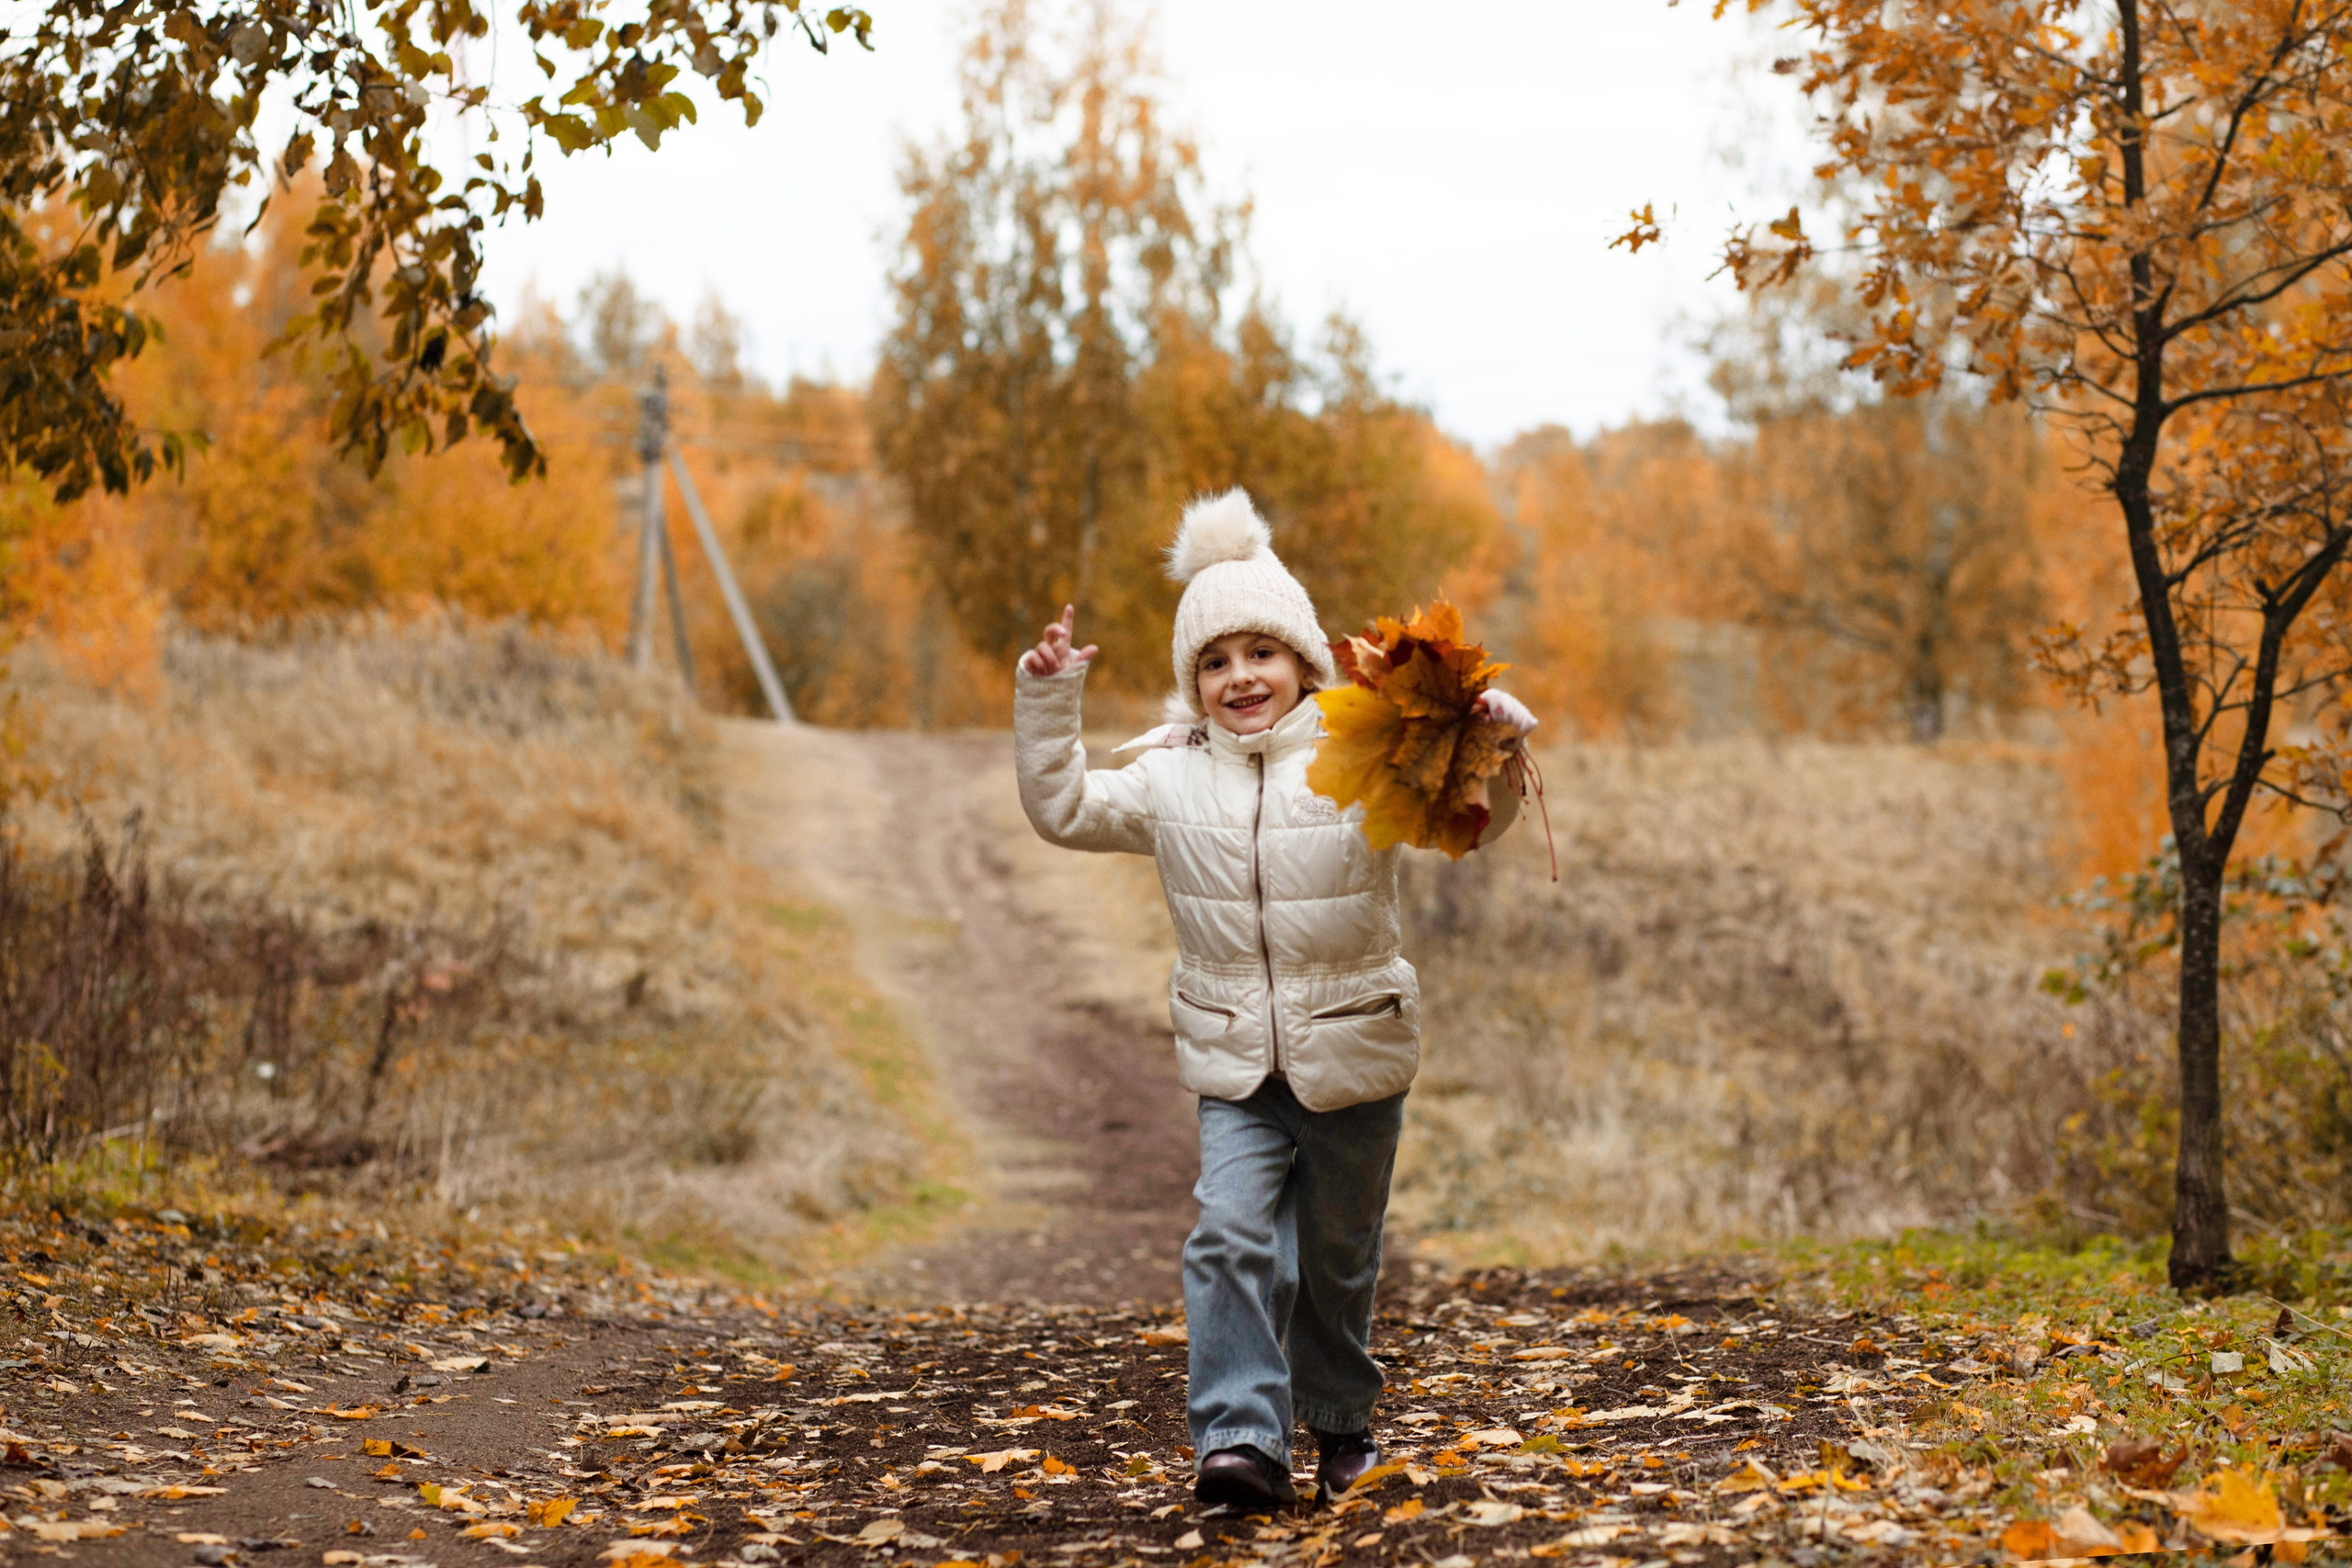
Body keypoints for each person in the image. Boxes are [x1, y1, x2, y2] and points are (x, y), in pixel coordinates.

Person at [1012, 489, 1538, 1510]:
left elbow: (1467, 817)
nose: (1238, 676)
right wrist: (1047, 702)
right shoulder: (1170, 779)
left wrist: (1499, 752)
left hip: (1353, 1049)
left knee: (1337, 1266)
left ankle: (1339, 1421)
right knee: (1229, 1237)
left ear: (1303, 662)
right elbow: (1063, 807)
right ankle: (1242, 1440)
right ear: (1191, 681)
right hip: (1234, 1062)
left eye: (1260, 653)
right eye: (1213, 661)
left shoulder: (1357, 762)